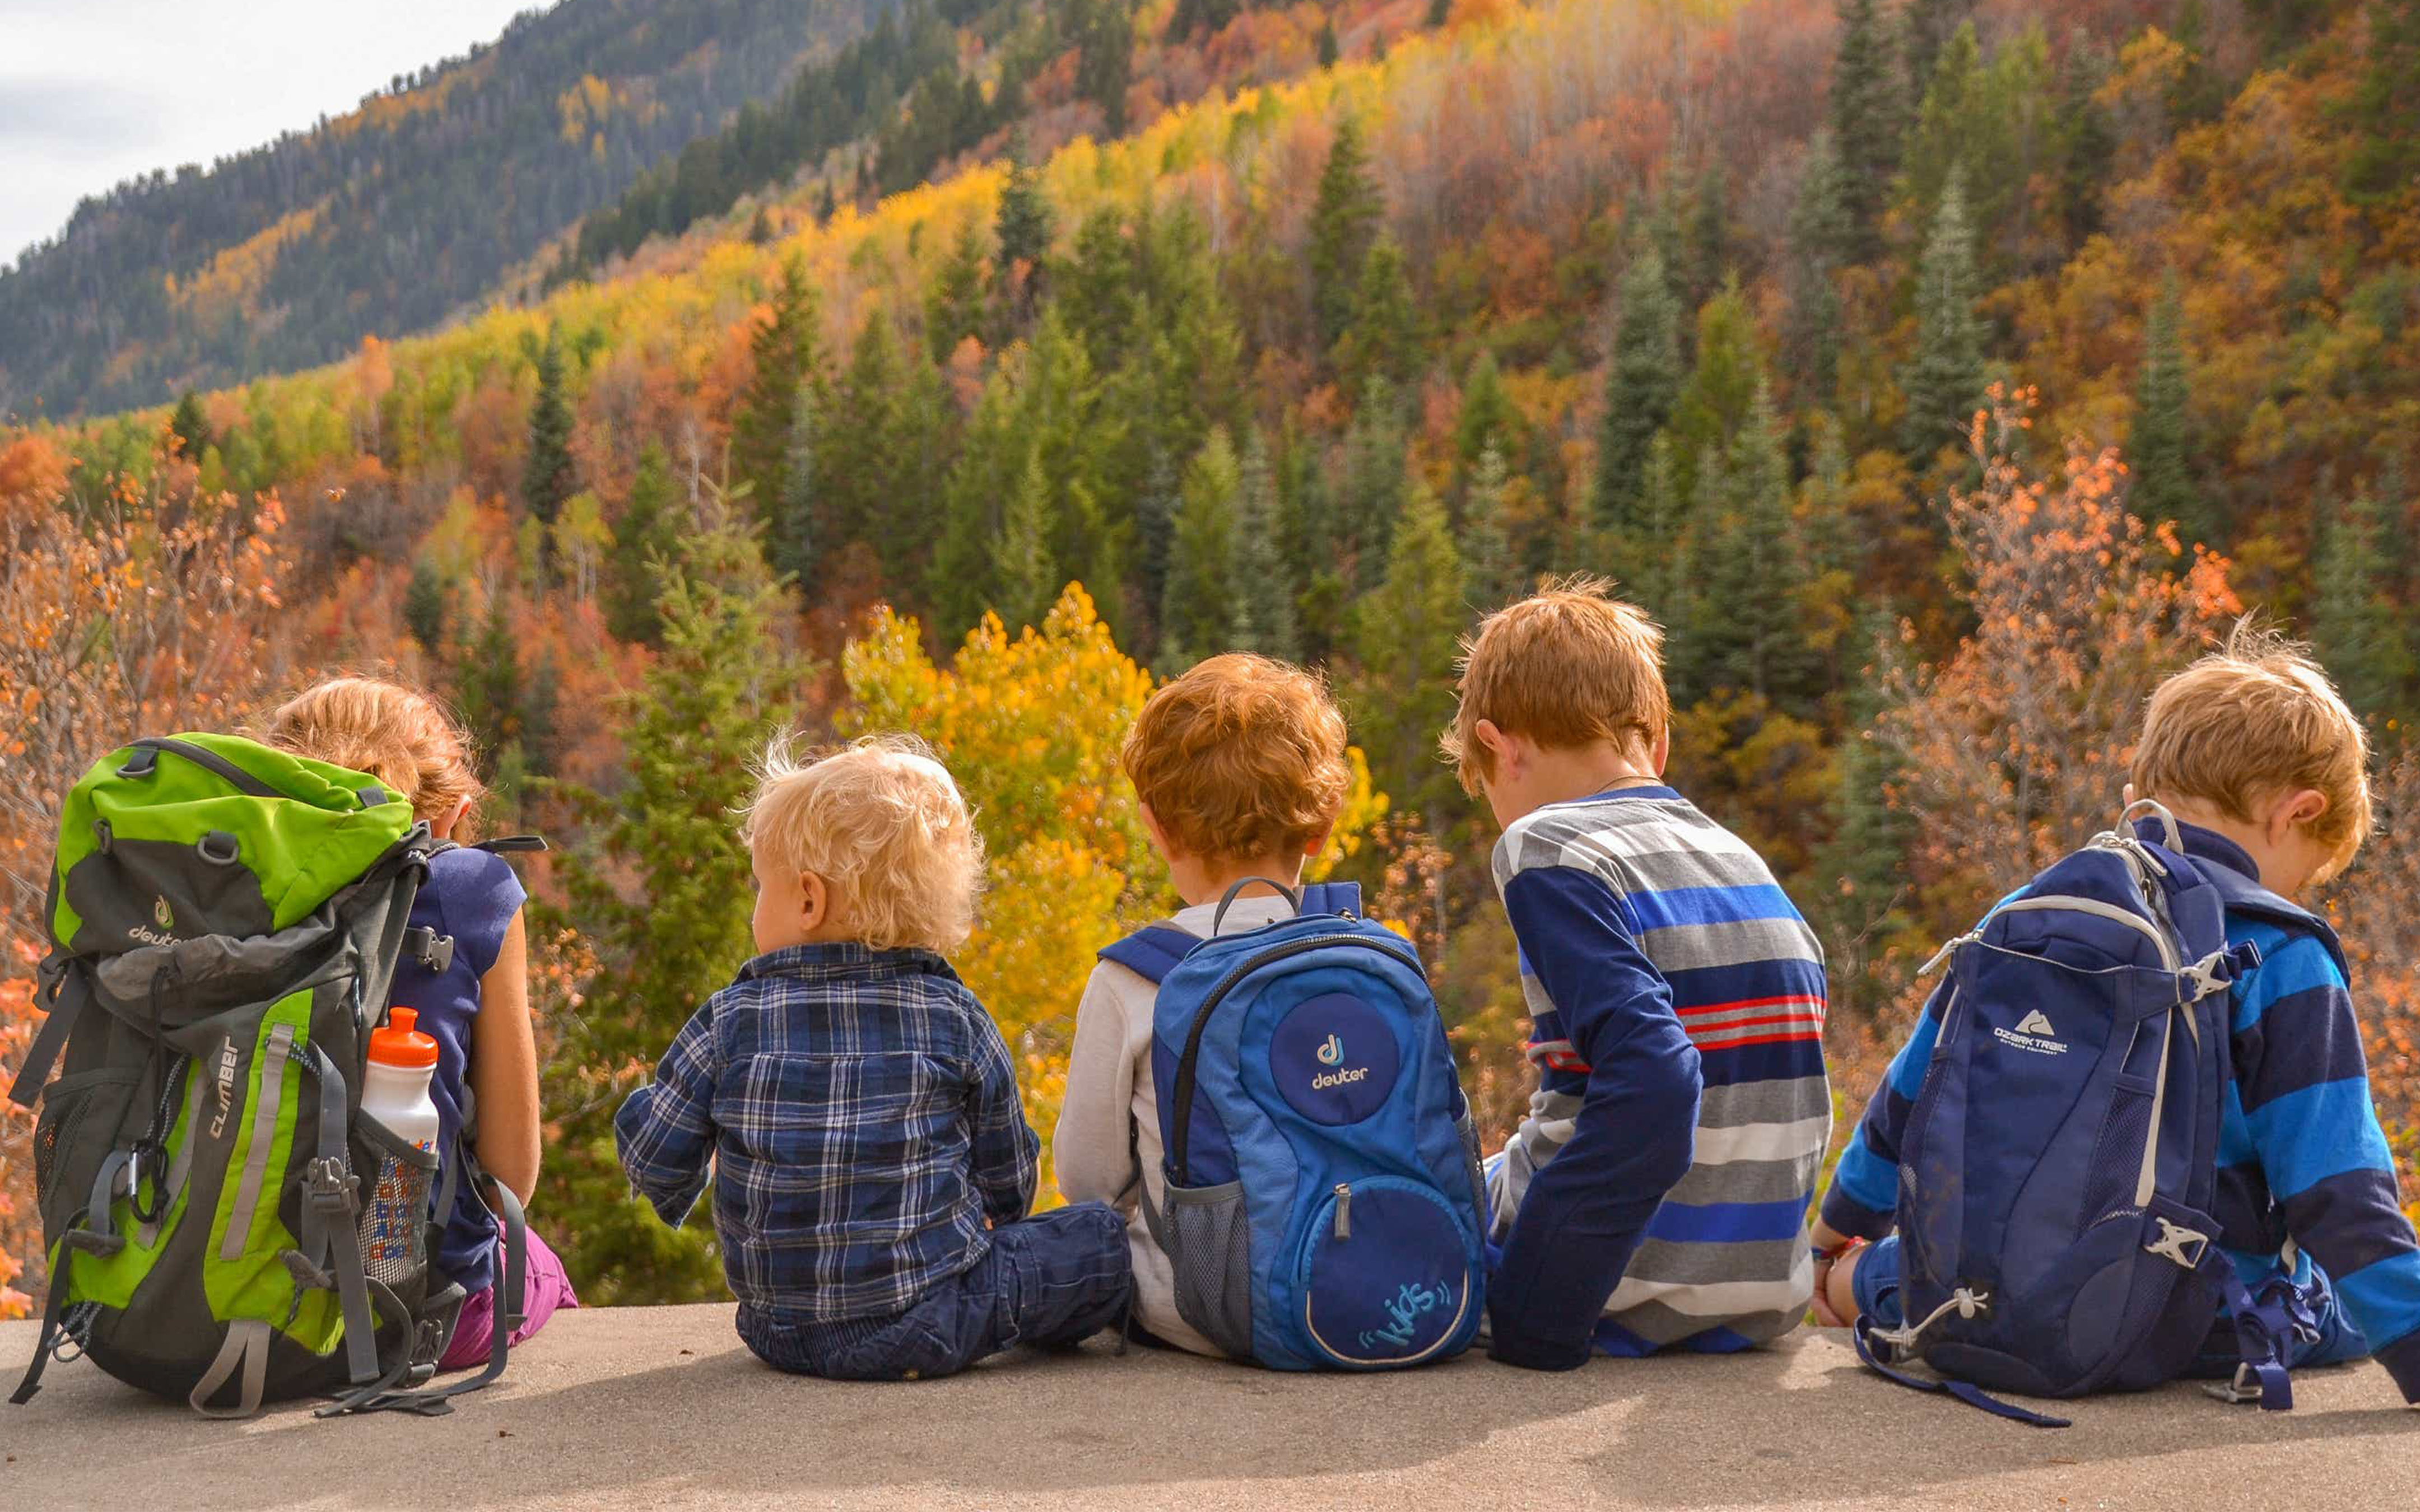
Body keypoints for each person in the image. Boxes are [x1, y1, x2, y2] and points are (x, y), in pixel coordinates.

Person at [1811, 626, 2420, 1404]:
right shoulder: (2280, 952)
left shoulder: (2025, 912)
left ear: (2141, 797)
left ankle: (1857, 1281)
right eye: (2304, 872)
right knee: (2341, 1302)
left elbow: (1913, 1095)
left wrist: (1832, 1239)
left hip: (1983, 1291)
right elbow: (2338, 1189)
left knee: (1893, 1267)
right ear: (2296, 813)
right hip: (2186, 1317)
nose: (2293, 894)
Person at [615, 734, 1131, 1380]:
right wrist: (994, 1214)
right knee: (1099, 1241)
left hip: (777, 1328)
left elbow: (654, 1158)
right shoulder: (956, 1017)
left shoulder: (729, 1019)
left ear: (808, 900)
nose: (755, 910)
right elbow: (1009, 1175)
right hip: (929, 1317)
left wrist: (645, 1109)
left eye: (759, 889)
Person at [1439, 579, 1831, 1370]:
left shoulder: (1547, 848)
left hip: (1614, 1291)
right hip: (1757, 1297)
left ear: (1501, 747)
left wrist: (1540, 1313)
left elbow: (1655, 1080)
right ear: (1654, 747)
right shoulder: (1743, 861)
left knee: (1396, 1209)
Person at [263, 676, 576, 1370]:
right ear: (453, 813)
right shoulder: (475, 886)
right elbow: (509, 1177)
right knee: (538, 1263)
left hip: (204, 1299)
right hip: (399, 1317)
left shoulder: (220, 875)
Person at [1054, 653, 1354, 1355]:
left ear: (1157, 827)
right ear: (1321, 826)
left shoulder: (1134, 977)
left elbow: (1090, 1183)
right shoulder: (1365, 951)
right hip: (1378, 1278)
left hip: (1209, 1310)